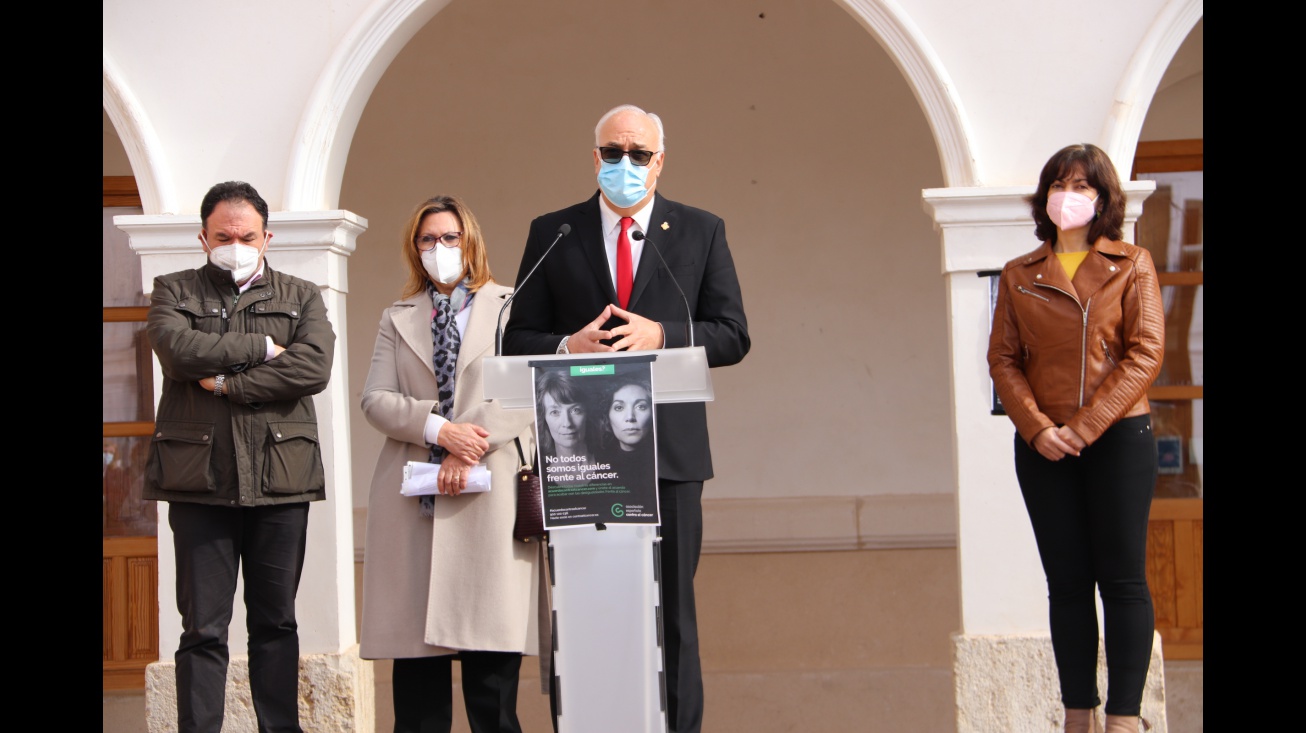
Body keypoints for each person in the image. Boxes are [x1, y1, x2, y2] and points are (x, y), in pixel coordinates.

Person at [503, 103, 750, 733]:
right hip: (584, 457)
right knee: (588, 610)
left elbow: (732, 335)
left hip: (670, 454)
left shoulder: (699, 231)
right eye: (614, 153)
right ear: (595, 157)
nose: (626, 164)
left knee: (674, 615)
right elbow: (515, 336)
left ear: (660, 161)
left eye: (639, 154)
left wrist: (661, 333)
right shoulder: (554, 232)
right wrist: (567, 345)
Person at [144, 180, 336, 733]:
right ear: (203, 238)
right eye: (224, 235)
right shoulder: (173, 290)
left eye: (246, 235)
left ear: (267, 237)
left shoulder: (301, 295)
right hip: (198, 482)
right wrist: (259, 348)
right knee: (203, 628)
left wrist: (227, 386)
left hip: (281, 480)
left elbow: (312, 369)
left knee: (276, 623)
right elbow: (178, 352)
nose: (236, 244)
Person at [987, 143, 1165, 733]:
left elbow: (1146, 354)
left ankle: (1124, 718)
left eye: (1083, 186)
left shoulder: (1132, 263)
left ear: (1103, 198)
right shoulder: (1019, 274)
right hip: (1044, 449)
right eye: (1060, 184)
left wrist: (1085, 427)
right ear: (1045, 198)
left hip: (1118, 438)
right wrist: (1038, 428)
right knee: (1066, 583)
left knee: (1122, 578)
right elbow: (1004, 361)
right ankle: (1077, 715)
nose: (1070, 195)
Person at [358, 195, 540, 733]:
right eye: (427, 239)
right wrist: (441, 430)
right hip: (415, 504)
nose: (439, 248)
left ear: (471, 242)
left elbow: (528, 389)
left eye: (450, 238)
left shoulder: (513, 306)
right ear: (414, 249)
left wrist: (471, 443)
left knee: (492, 698)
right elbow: (375, 399)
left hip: (489, 499)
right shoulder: (397, 317)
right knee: (418, 706)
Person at [600, 375, 655, 482]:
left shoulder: (664, 466)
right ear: (607, 416)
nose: (630, 417)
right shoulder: (599, 468)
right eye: (619, 407)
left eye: (641, 407)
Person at [535, 370, 595, 461]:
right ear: (544, 419)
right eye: (555, 412)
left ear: (587, 414)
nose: (567, 423)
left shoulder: (612, 464)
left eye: (576, 410)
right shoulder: (537, 468)